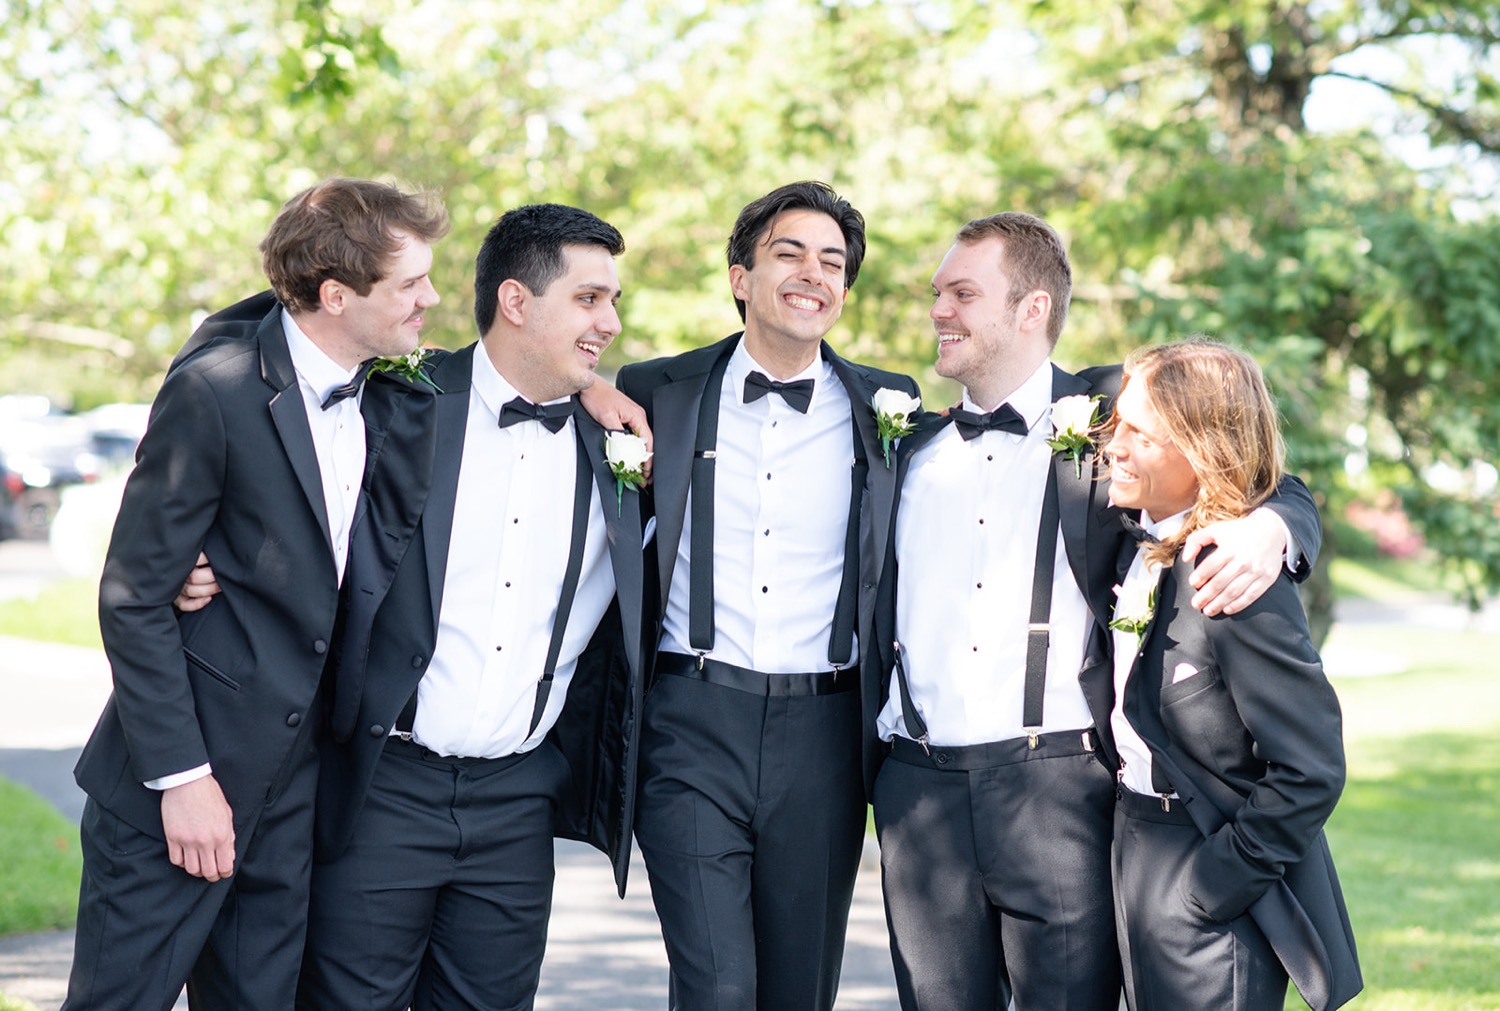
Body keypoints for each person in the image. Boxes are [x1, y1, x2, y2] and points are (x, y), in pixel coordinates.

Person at [867, 212, 1325, 1010]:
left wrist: (1274, 526)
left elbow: (1240, 455)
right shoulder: (902, 444)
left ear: (1031, 309)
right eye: (937, 291)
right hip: (919, 791)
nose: (938, 308)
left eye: (962, 292)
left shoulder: (1117, 417)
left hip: (1059, 789)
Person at [65, 178, 450, 1010]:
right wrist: (184, 780)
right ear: (337, 294)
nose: (434, 297)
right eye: (413, 282)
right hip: (171, 797)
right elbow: (133, 595)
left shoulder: (390, 385)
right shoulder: (218, 388)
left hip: (293, 799)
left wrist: (597, 389)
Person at [292, 203, 651, 1011]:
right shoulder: (393, 401)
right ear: (517, 301)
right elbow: (272, 409)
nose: (612, 322)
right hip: (383, 783)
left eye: (613, 301)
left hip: (517, 805)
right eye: (590, 300)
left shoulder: (623, 443)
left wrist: (588, 382)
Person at [615, 181, 920, 1010]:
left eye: (832, 262)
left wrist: (1277, 522)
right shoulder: (654, 391)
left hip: (825, 738)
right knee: (716, 984)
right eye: (789, 252)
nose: (812, 273)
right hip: (690, 723)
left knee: (798, 990)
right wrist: (588, 390)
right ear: (740, 276)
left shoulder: (893, 413)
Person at [1102, 339, 1361, 1011]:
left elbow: (1311, 767)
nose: (1112, 443)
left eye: (1139, 432)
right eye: (1115, 422)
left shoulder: (1237, 575)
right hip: (1134, 848)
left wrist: (1213, 884)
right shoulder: (1137, 532)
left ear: (1202, 450)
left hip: (1207, 876)